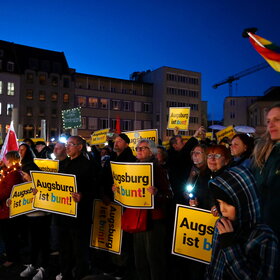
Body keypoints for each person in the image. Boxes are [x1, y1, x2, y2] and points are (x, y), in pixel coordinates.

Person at [206, 166, 279, 279]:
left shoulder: (263, 237)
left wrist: (230, 247)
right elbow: (214, 265)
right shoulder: (221, 225)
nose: (222, 209)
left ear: (243, 201)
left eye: (228, 203)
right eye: (219, 203)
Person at [120, 139, 173, 280]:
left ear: (152, 152)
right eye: (137, 148)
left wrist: (157, 194)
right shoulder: (132, 169)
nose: (139, 150)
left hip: (153, 220)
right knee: (140, 259)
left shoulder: (158, 169)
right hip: (137, 218)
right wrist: (119, 189)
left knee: (154, 258)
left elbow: (169, 195)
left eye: (143, 148)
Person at [56, 136, 99, 280]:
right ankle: (65, 272)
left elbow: (96, 189)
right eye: (66, 144)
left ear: (80, 147)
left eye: (71, 144)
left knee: (80, 250)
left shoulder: (89, 165)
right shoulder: (64, 163)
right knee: (64, 248)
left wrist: (83, 196)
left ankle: (81, 275)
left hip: (80, 216)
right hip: (63, 215)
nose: (67, 147)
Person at [252, 104, 280, 242]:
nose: (271, 125)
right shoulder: (263, 152)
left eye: (277, 120)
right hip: (263, 231)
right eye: (268, 121)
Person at [167, 126, 205, 204]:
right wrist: (195, 136)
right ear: (175, 146)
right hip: (180, 196)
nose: (184, 143)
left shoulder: (180, 155)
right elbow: (183, 153)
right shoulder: (173, 157)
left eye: (197, 153)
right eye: (181, 141)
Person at [0, 151, 25, 268]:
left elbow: (8, 191)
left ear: (10, 160)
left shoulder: (13, 174)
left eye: (5, 158)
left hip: (8, 210)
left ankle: (12, 257)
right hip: (5, 209)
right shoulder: (10, 172)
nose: (3, 160)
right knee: (8, 235)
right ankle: (10, 254)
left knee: (10, 235)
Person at [186, 144, 211, 210]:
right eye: (193, 152)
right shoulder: (190, 169)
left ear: (205, 155)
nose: (194, 155)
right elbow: (185, 192)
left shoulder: (210, 171)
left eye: (198, 153)